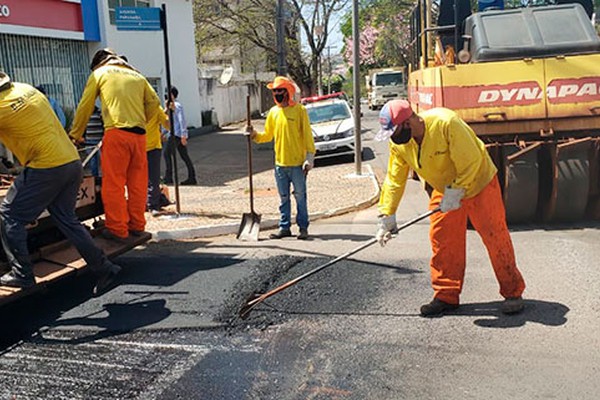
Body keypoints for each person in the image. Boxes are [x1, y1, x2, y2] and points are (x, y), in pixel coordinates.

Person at [375, 99, 526, 317]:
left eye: (394, 130)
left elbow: (471, 162)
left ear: (408, 122)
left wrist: (456, 192)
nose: (392, 137)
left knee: (495, 236)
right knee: (443, 240)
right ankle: (446, 295)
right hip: (444, 188)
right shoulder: (399, 143)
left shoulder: (446, 123)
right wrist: (386, 215)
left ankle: (513, 292)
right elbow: (394, 179)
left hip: (478, 183)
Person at [0, 72, 120, 296]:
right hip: (71, 162)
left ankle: (22, 274)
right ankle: (104, 267)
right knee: (66, 219)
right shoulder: (27, 89)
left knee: (10, 214)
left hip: (46, 167)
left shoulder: (2, 106)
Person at [69, 48, 160, 242]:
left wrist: (75, 135)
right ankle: (137, 225)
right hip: (139, 137)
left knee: (114, 184)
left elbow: (85, 106)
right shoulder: (137, 76)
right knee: (138, 183)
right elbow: (154, 103)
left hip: (116, 134)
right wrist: (141, 121)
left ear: (99, 63)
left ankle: (118, 229)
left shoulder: (99, 74)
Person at [246, 76, 316, 240]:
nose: (277, 94)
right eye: (275, 91)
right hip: (280, 165)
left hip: (298, 164)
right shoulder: (273, 112)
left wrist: (309, 157)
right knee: (283, 198)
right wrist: (254, 134)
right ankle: (284, 228)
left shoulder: (300, 111)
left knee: (300, 197)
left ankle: (303, 228)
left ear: (288, 92)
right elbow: (267, 135)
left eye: (280, 91)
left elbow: (307, 136)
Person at [162, 86, 197, 186]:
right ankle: (192, 177)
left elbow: (182, 120)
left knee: (166, 154)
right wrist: (163, 133)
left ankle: (168, 177)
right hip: (174, 134)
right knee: (184, 156)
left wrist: (183, 135)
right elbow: (170, 122)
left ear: (172, 95)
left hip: (176, 135)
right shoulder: (170, 106)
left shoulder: (176, 105)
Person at [146, 104, 169, 216]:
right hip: (137, 147)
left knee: (153, 179)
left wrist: (170, 113)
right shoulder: (133, 107)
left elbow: (168, 125)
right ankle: (144, 203)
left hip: (153, 147)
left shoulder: (156, 108)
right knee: (139, 179)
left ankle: (153, 204)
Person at [84, 105, 104, 177]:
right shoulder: (85, 114)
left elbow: (103, 125)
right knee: (93, 161)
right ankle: (95, 177)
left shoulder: (100, 113)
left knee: (103, 160)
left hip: (99, 141)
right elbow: (83, 127)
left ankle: (104, 176)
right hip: (89, 141)